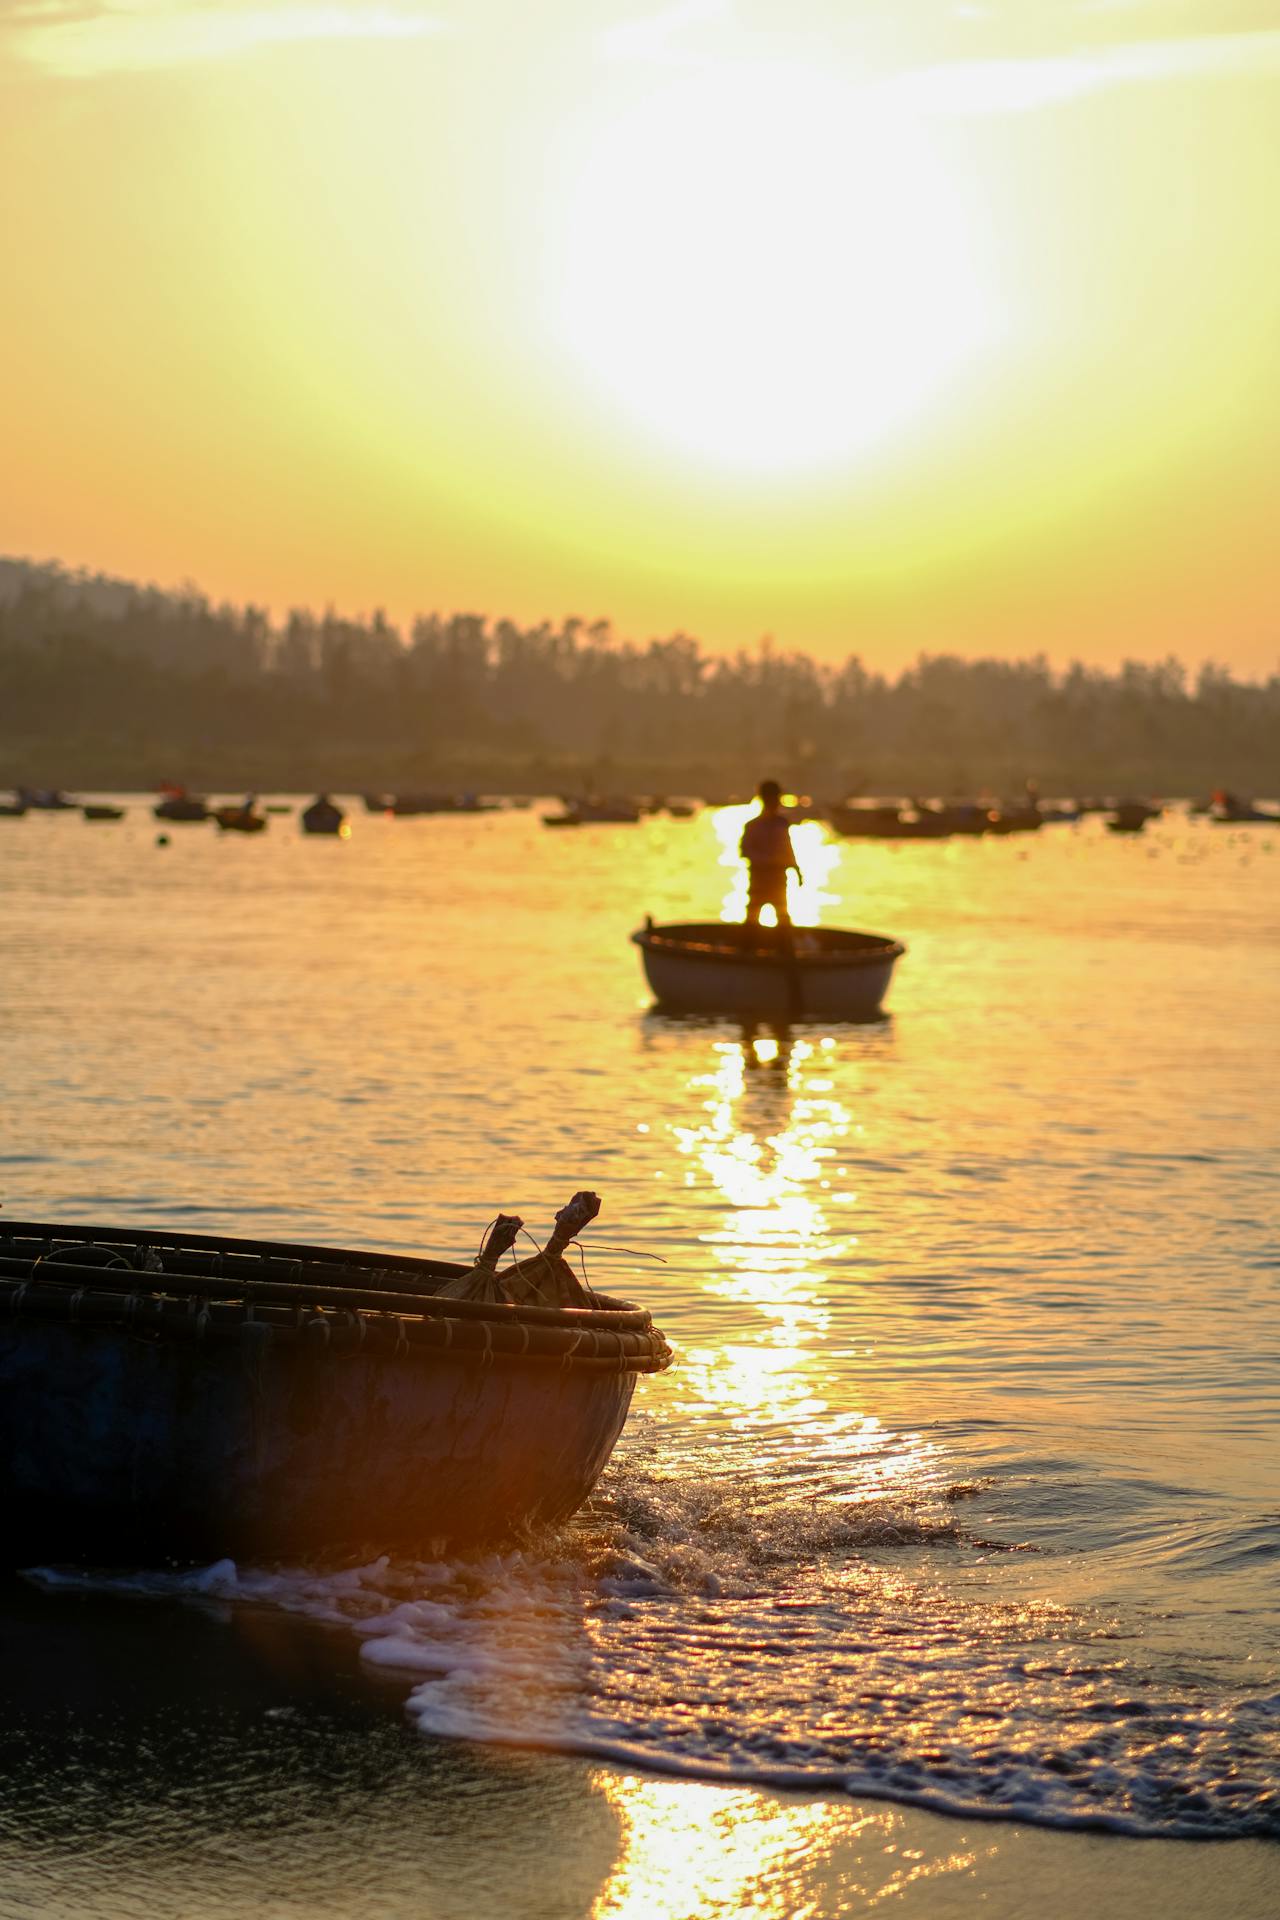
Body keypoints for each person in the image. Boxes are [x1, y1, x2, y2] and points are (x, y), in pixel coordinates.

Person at [739, 780, 801, 928]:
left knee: (783, 918)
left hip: (778, 878)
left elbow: (788, 848)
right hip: (759, 878)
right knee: (753, 917)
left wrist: (796, 870)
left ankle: (784, 948)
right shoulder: (753, 826)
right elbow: (744, 850)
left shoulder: (782, 823)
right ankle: (747, 947)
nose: (777, 802)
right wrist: (768, 861)